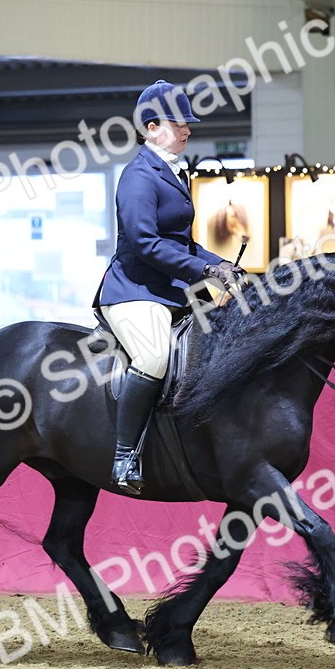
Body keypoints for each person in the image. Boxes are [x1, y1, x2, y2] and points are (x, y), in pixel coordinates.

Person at [92, 80, 244, 495]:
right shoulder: (138, 177)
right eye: (180, 124)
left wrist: (217, 263)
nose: (187, 131)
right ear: (152, 126)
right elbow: (144, 243)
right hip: (136, 290)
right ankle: (125, 458)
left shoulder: (173, 173)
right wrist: (203, 271)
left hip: (174, 289)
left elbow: (180, 241)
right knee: (155, 356)